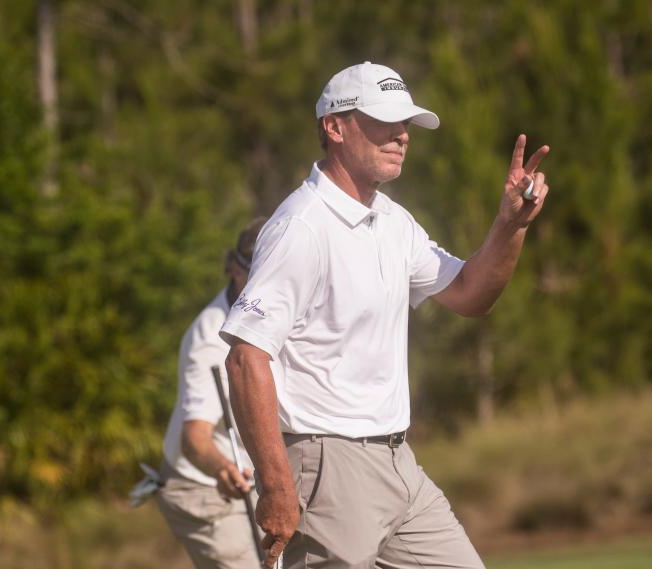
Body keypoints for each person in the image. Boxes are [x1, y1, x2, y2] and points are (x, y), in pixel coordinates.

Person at [220, 61, 550, 569]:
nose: (401, 135)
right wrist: (276, 484)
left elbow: (470, 294)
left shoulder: (393, 221)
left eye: (406, 124)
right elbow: (245, 358)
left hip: (399, 463)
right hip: (326, 466)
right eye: (384, 121)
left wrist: (510, 225)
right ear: (334, 127)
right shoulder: (301, 228)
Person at [156, 219, 267, 569]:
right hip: (203, 487)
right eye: (260, 272)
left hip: (253, 481)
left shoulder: (270, 310)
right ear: (235, 268)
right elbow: (195, 437)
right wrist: (223, 469)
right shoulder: (210, 338)